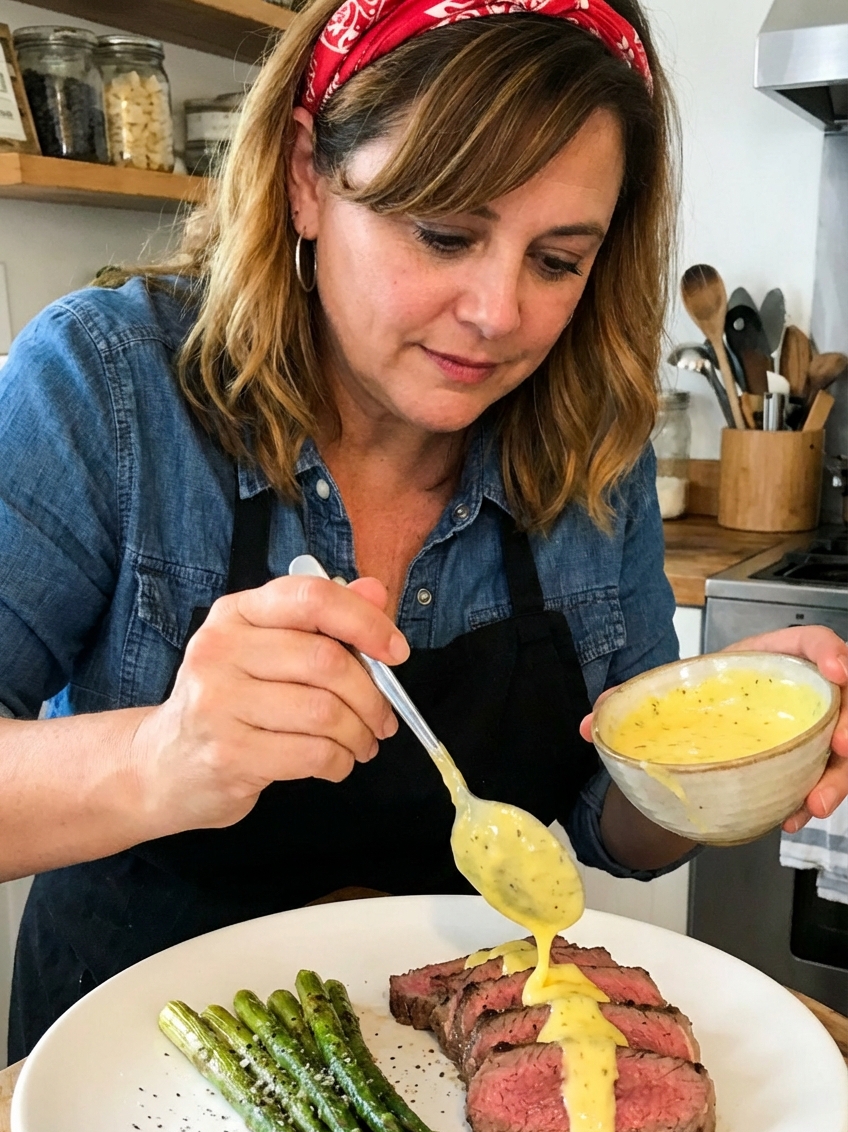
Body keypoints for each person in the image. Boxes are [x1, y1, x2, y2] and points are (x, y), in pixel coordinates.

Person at [0, 0, 845, 1061]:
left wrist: (713, 762)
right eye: (444, 234)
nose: (498, 314)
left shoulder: (594, 439)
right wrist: (159, 756)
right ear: (306, 177)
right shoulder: (105, 386)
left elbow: (609, 828)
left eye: (557, 260)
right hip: (126, 1069)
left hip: (443, 1071)